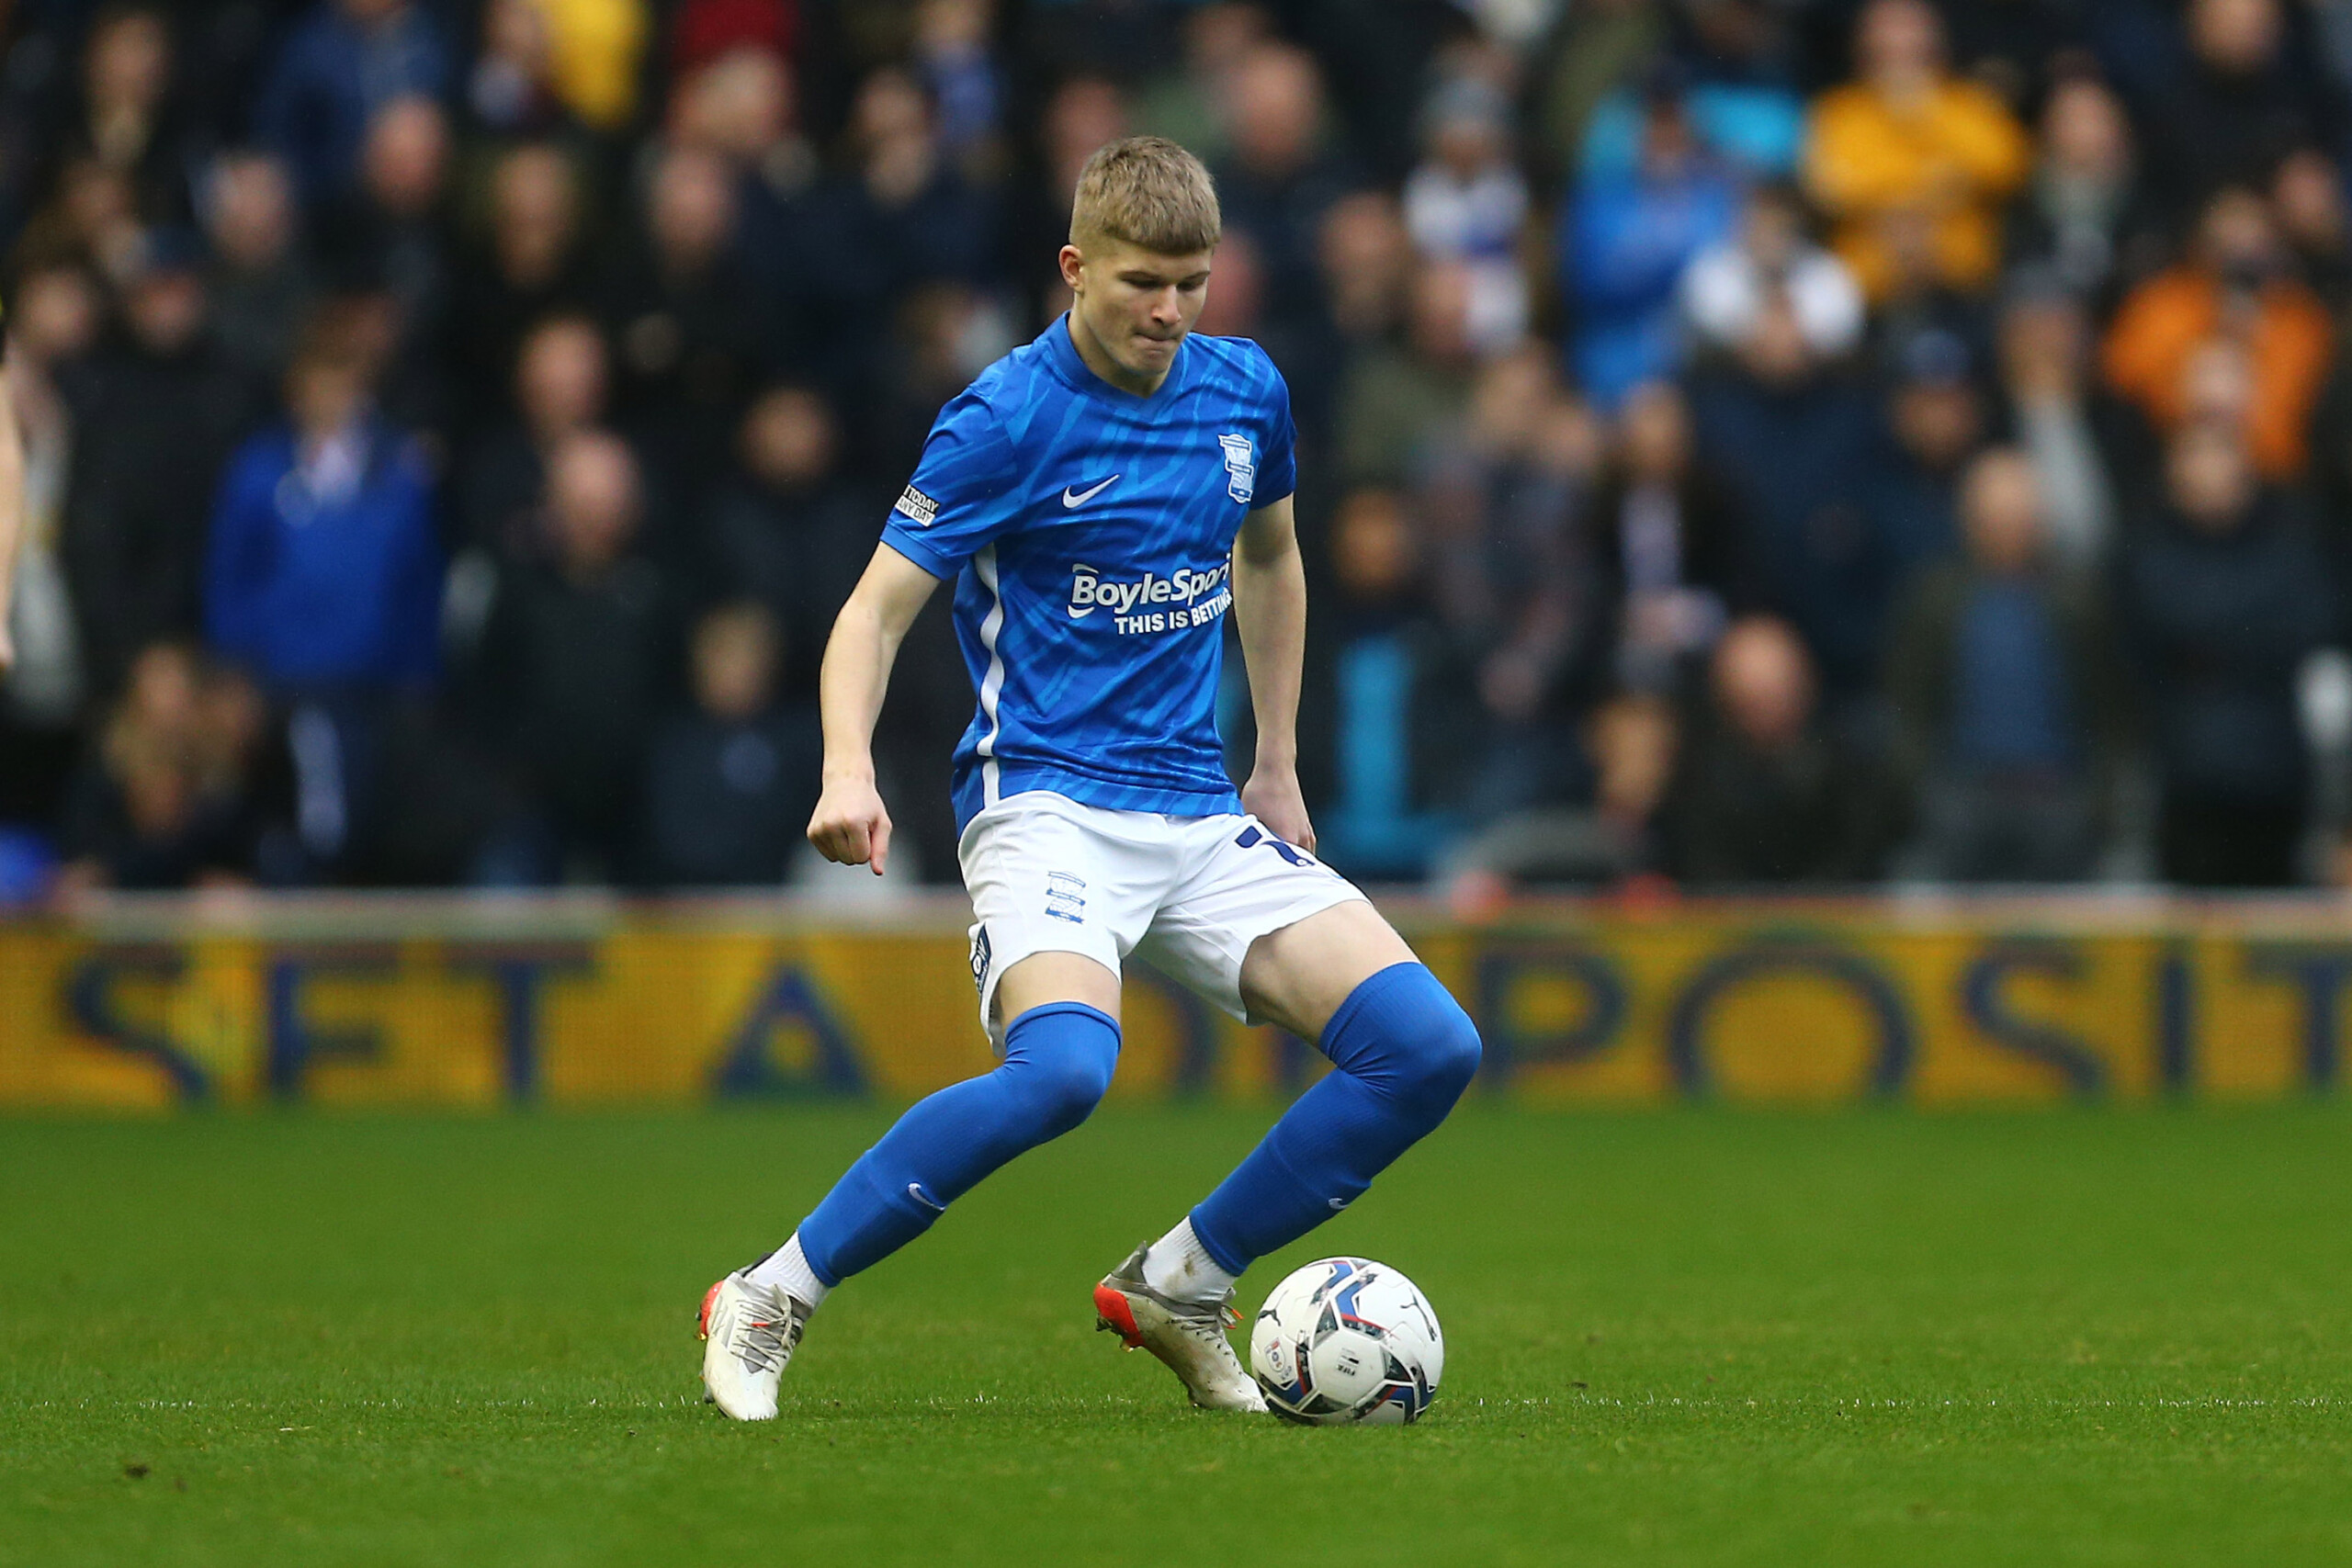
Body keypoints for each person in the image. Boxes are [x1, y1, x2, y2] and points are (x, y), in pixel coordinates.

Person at [697, 137, 1482, 1421]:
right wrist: (847, 768)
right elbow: (874, 614)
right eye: (1141, 285)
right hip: (1044, 803)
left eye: (1192, 282)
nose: (1170, 312)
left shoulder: (1244, 393)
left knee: (1427, 1048)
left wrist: (1274, 762)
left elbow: (1272, 565)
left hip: (1196, 805)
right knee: (1063, 1073)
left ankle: (1182, 1282)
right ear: (1075, 268)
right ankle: (770, 1292)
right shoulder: (1004, 418)